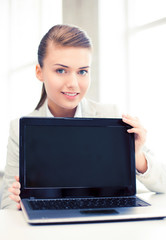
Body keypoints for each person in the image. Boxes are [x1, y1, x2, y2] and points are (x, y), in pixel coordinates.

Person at [1, 24, 166, 210]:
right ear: (39, 72)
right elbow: (6, 203)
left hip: (105, 223)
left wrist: (135, 155)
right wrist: (18, 202)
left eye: (82, 71)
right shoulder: (20, 129)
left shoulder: (110, 116)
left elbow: (163, 183)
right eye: (61, 70)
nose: (73, 83)